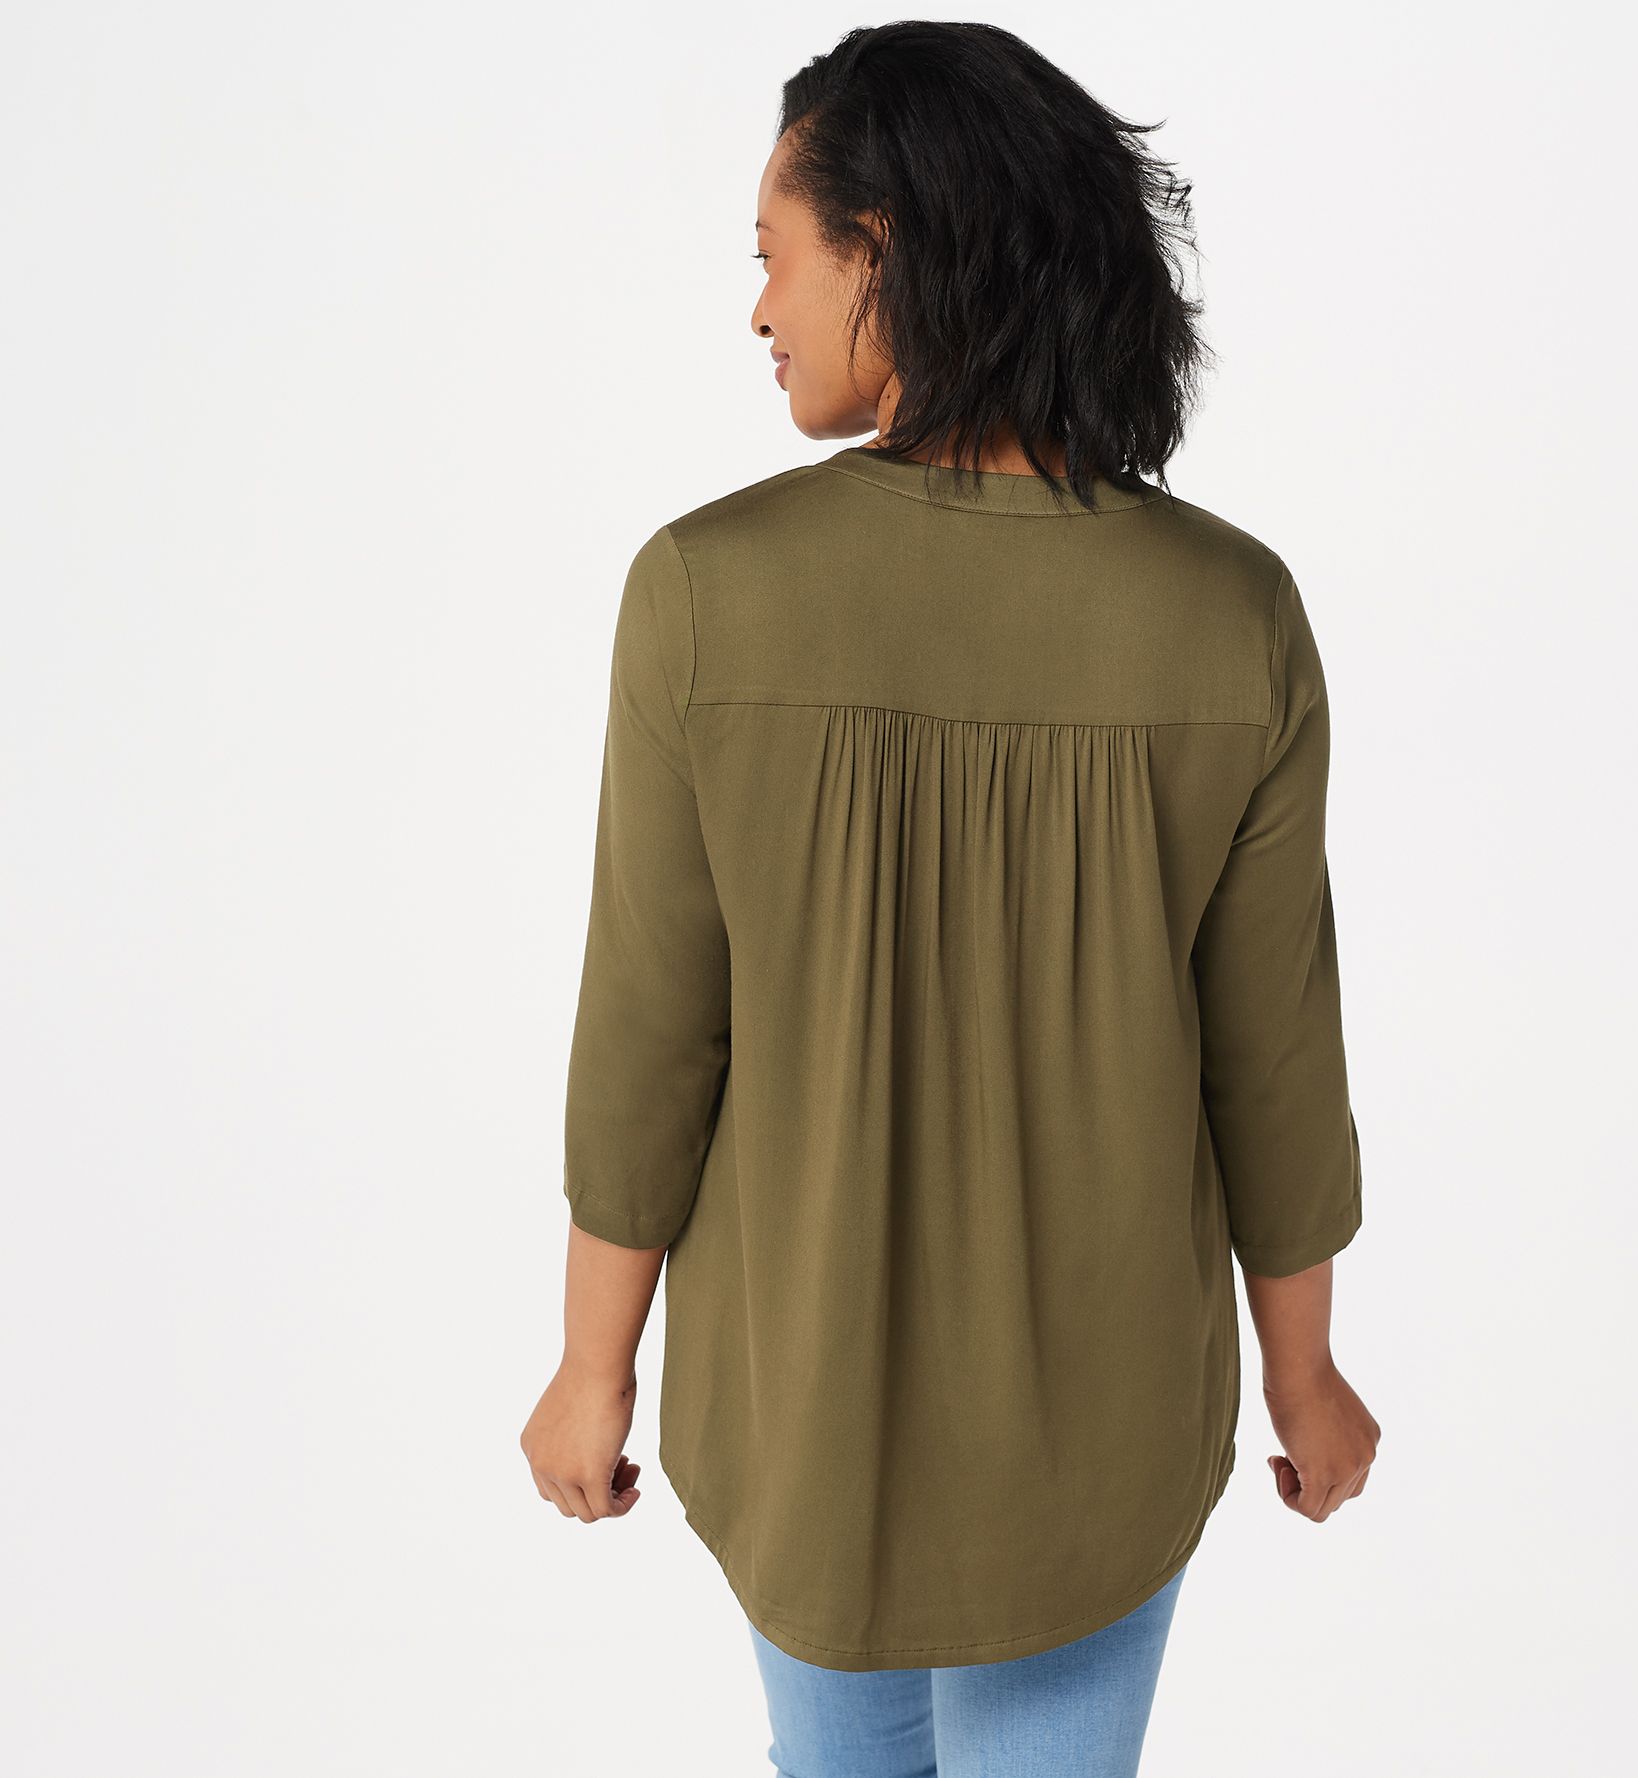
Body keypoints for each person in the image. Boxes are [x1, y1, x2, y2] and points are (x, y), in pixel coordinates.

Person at [519, 20, 1381, 1775]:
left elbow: (650, 1035)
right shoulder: (1233, 613)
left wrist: (592, 1363)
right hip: (1105, 1420)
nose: (758, 310)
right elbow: (1275, 1056)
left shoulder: (702, 593)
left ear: (885, 248)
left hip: (803, 1409)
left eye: (774, 255)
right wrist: (1303, 1371)